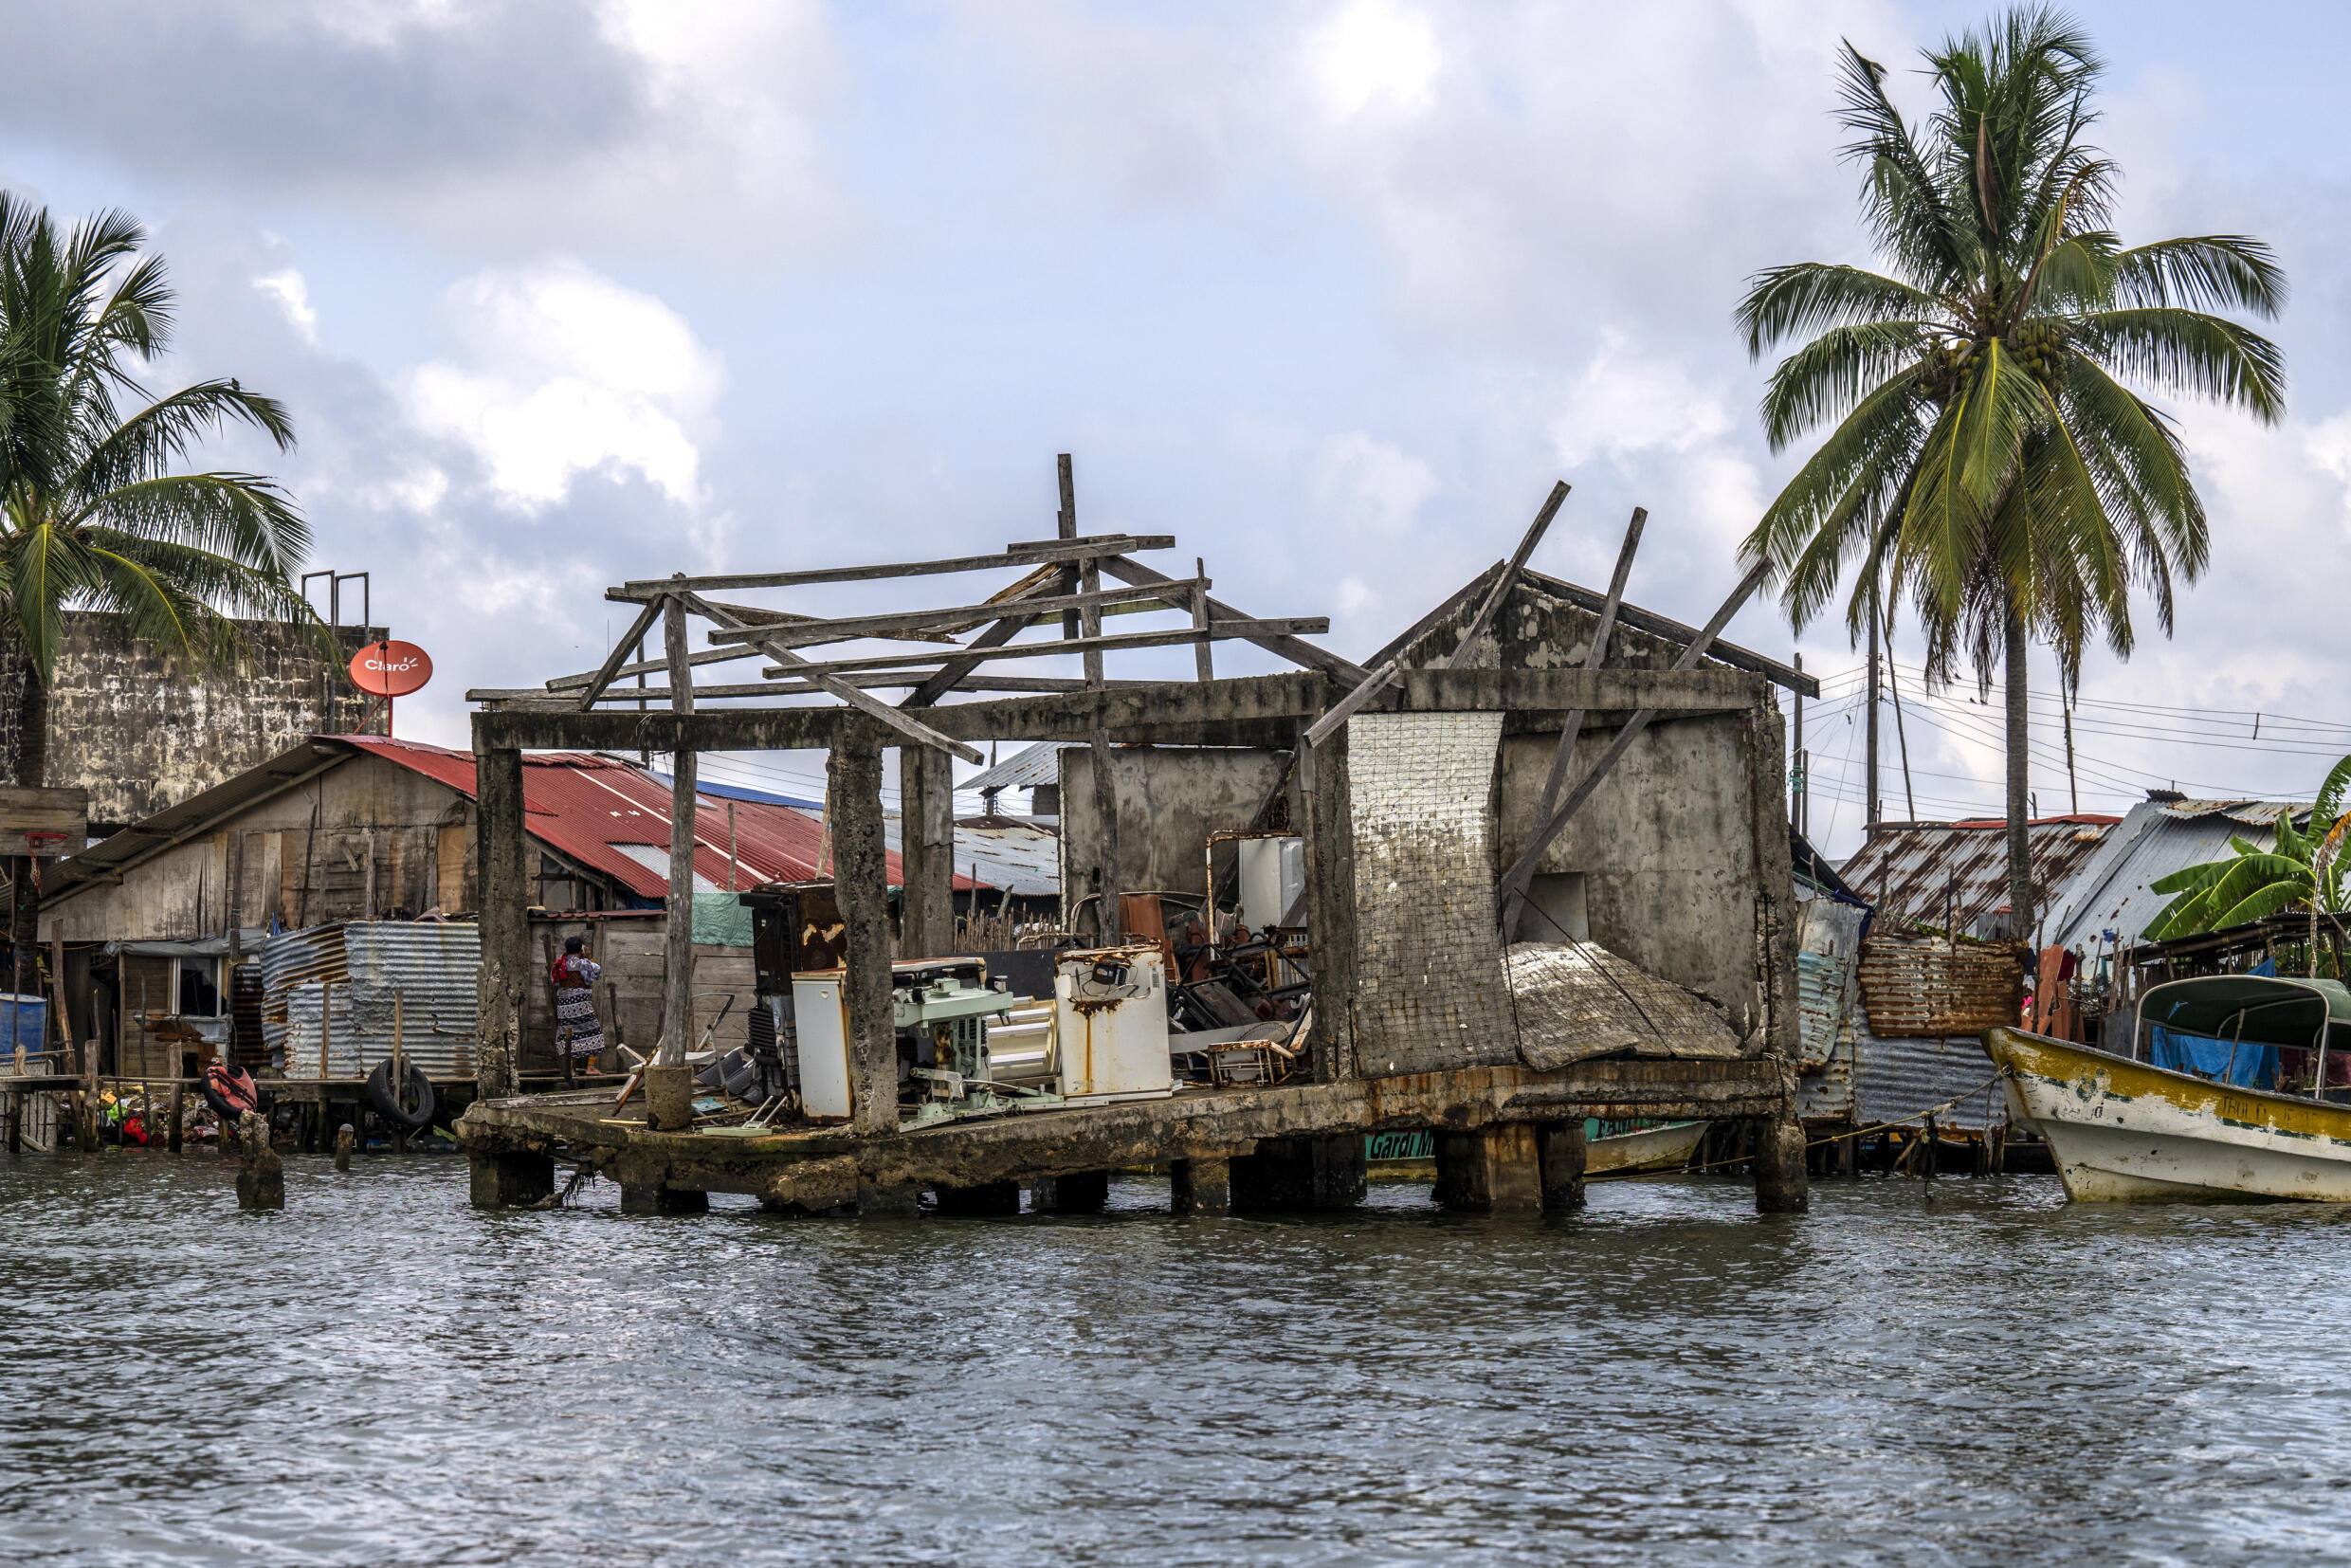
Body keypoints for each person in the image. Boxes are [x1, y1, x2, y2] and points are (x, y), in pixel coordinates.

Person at [551, 936, 606, 1073]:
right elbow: (597, 971)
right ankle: (591, 1067)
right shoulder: (582, 963)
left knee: (567, 1033)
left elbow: (555, 981)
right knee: (593, 1031)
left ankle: (570, 1069)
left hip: (564, 1005)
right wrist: (588, 957)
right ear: (581, 948)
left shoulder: (560, 962)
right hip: (581, 1004)